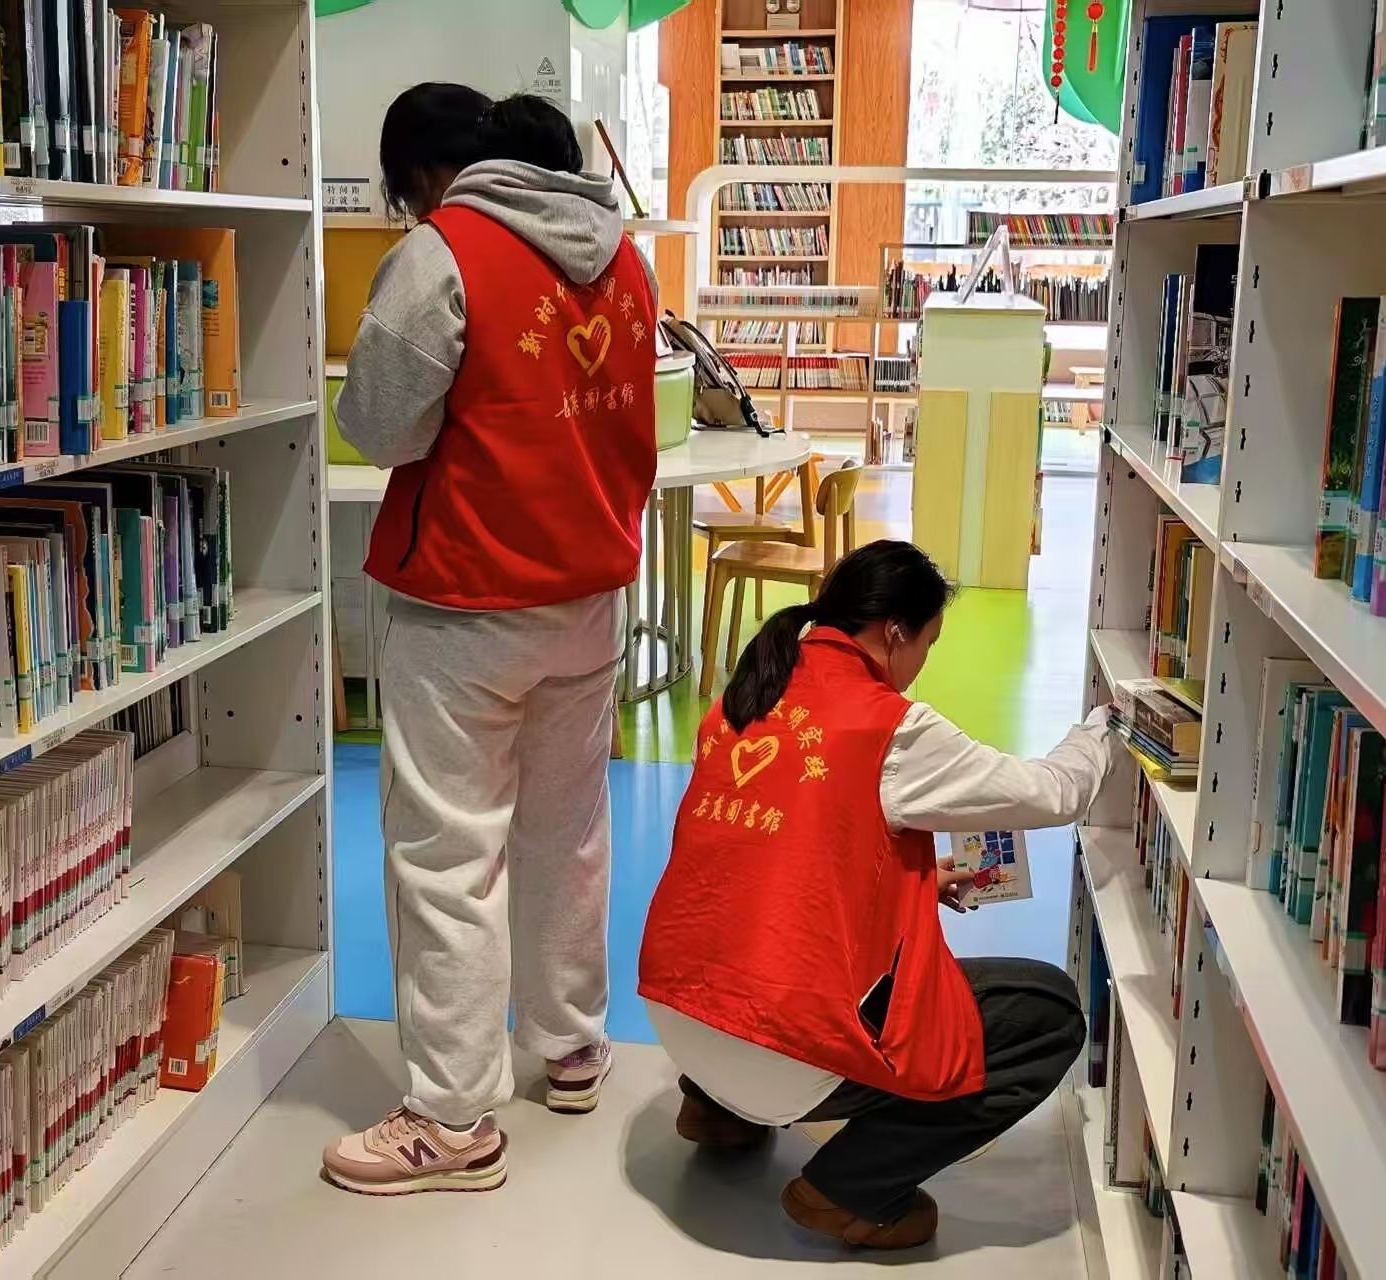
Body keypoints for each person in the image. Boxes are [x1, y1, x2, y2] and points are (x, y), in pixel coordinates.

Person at [321, 85, 659, 1196]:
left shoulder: (442, 254)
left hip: (467, 600)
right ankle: (571, 1043)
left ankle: (451, 1115)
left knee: (447, 854)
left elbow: (378, 426)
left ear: (420, 176)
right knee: (570, 829)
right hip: (590, 592)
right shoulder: (625, 257)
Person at [639, 540, 1114, 1248]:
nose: (923, 662)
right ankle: (847, 1190)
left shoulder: (747, 694)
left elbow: (783, 857)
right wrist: (1102, 728)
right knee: (1048, 1011)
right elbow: (1054, 792)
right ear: (895, 632)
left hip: (679, 1016)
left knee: (738, 927)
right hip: (780, 1047)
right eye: (927, 642)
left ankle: (716, 1112)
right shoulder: (890, 727)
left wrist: (911, 882)